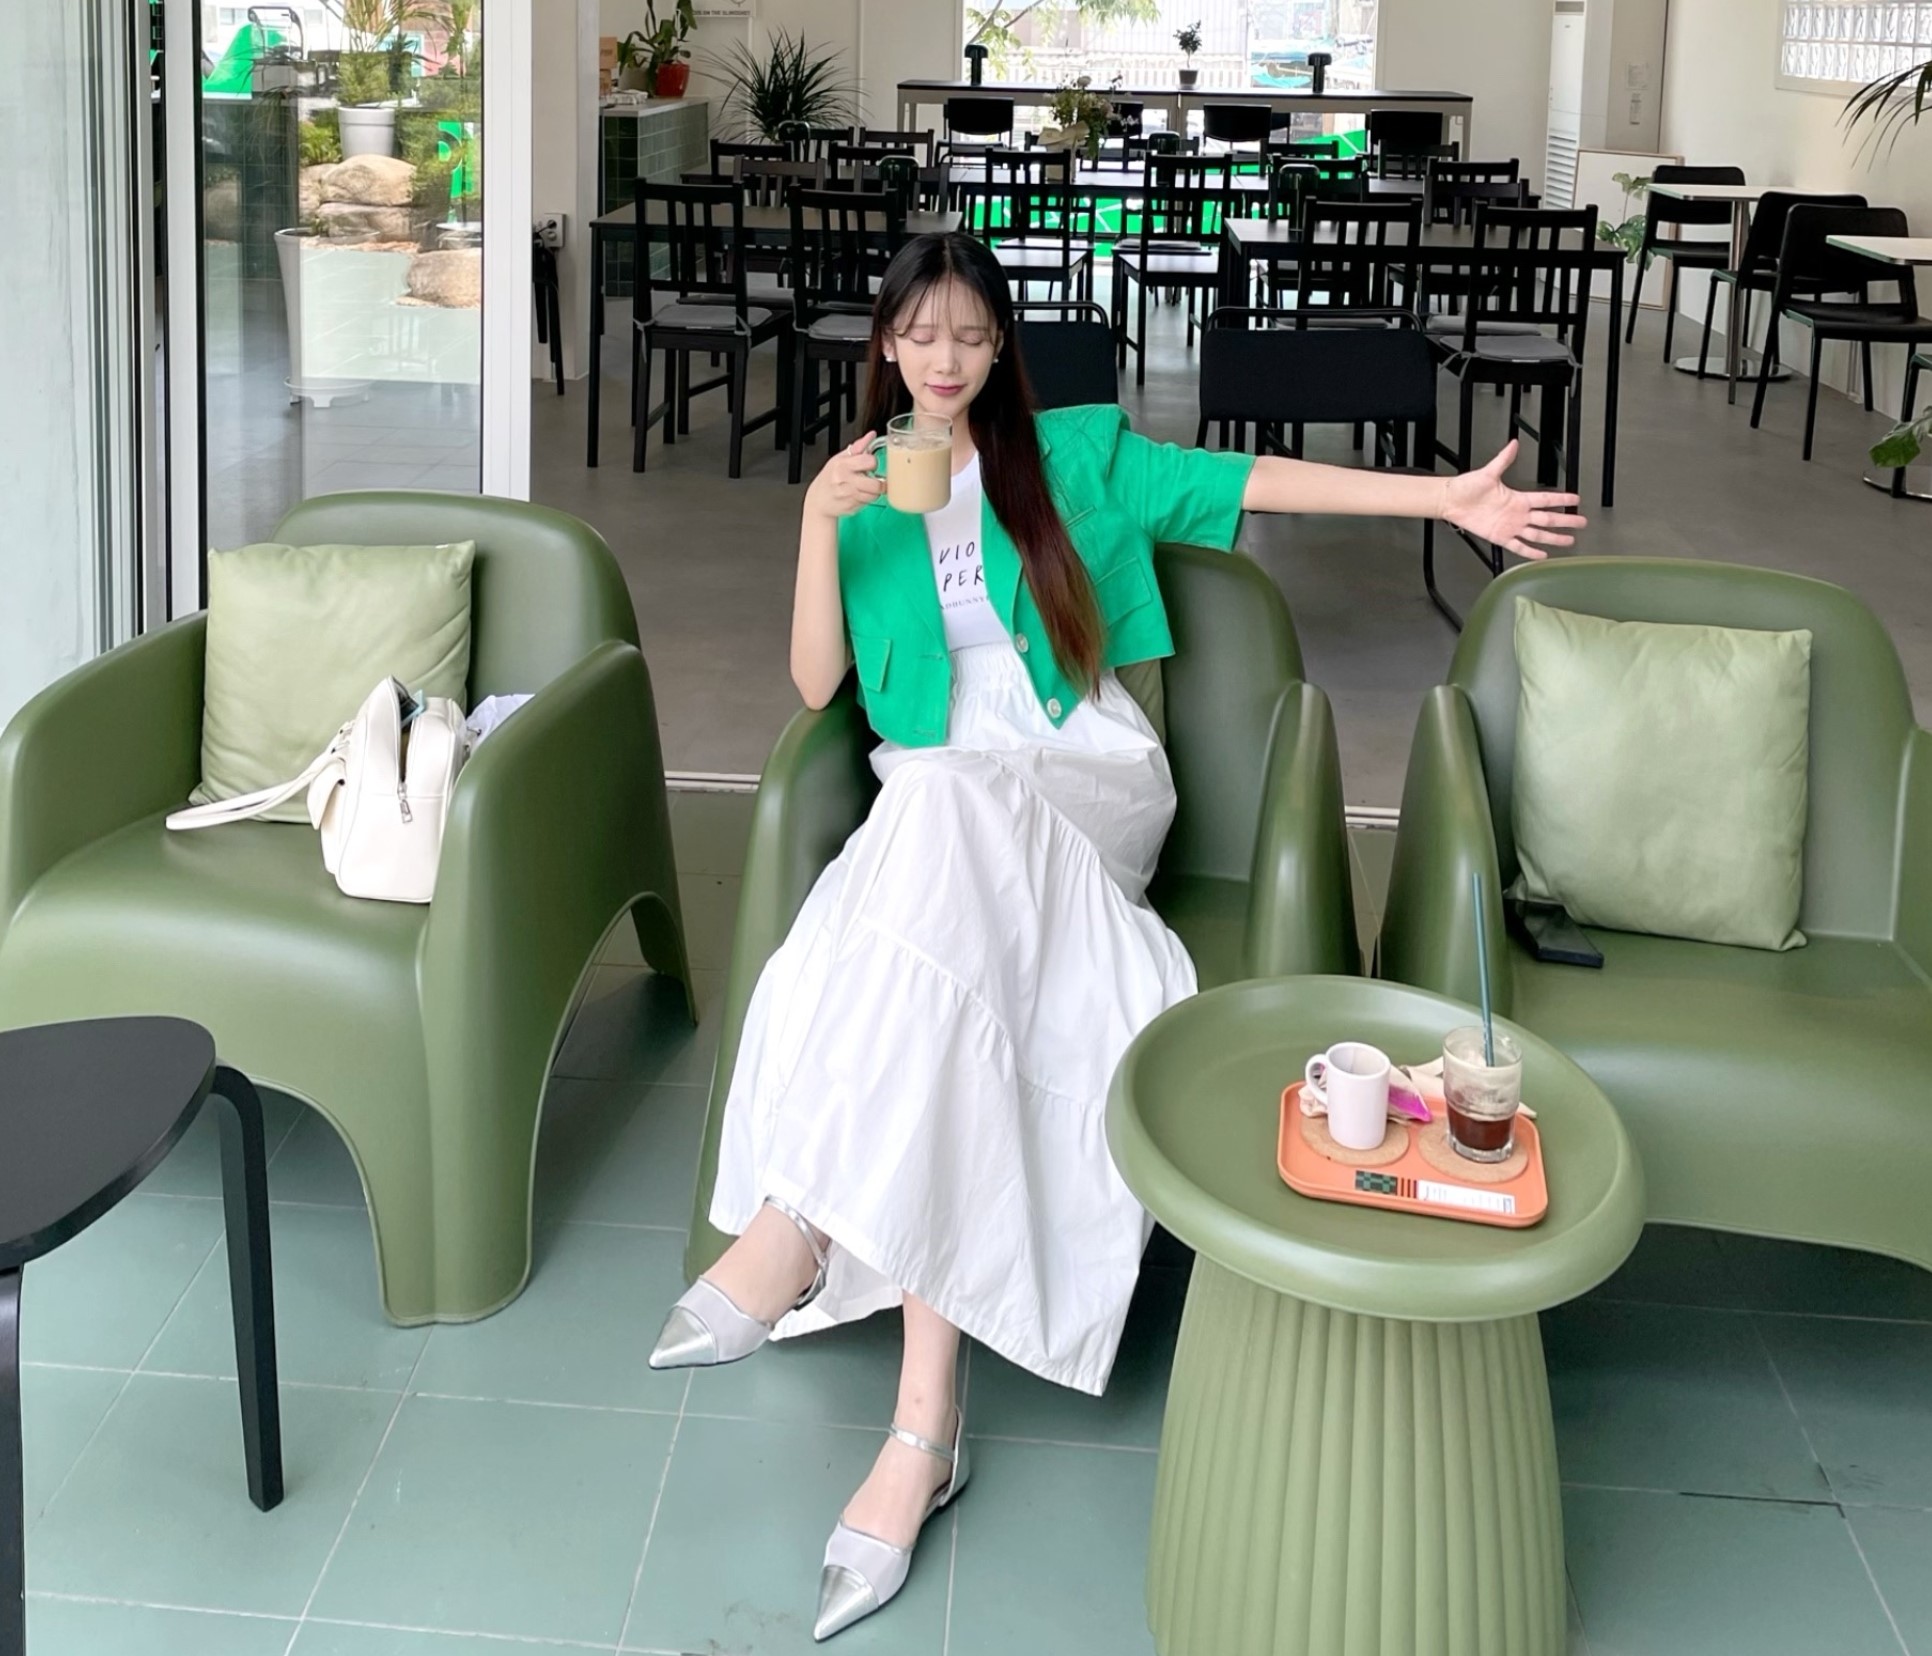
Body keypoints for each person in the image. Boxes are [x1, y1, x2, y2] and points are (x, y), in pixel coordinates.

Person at [648, 232, 1584, 1641]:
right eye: (921, 335)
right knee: (946, 901)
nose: (947, 360)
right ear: (886, 347)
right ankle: (923, 1424)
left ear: (999, 346)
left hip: (1079, 779)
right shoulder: (862, 495)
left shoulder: (1075, 457)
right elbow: (817, 685)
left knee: (943, 815)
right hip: (943, 805)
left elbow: (1250, 480)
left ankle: (802, 1222)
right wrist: (816, 527)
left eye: (972, 334)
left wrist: (1442, 495)